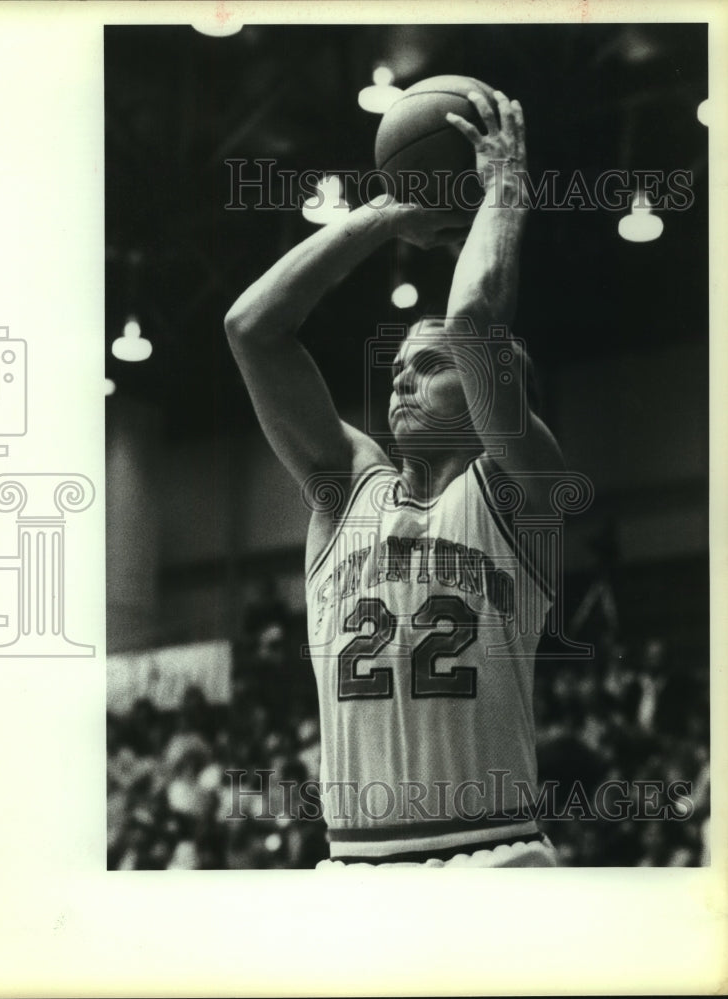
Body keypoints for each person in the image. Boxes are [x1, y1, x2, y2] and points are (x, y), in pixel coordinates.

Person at [225, 88, 565, 867]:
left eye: (430, 365)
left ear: (494, 392)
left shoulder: (515, 493)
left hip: (493, 859)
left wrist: (504, 188)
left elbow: (477, 320)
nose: (401, 382)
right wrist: (383, 214)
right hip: (352, 866)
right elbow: (251, 330)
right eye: (398, 367)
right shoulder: (346, 488)